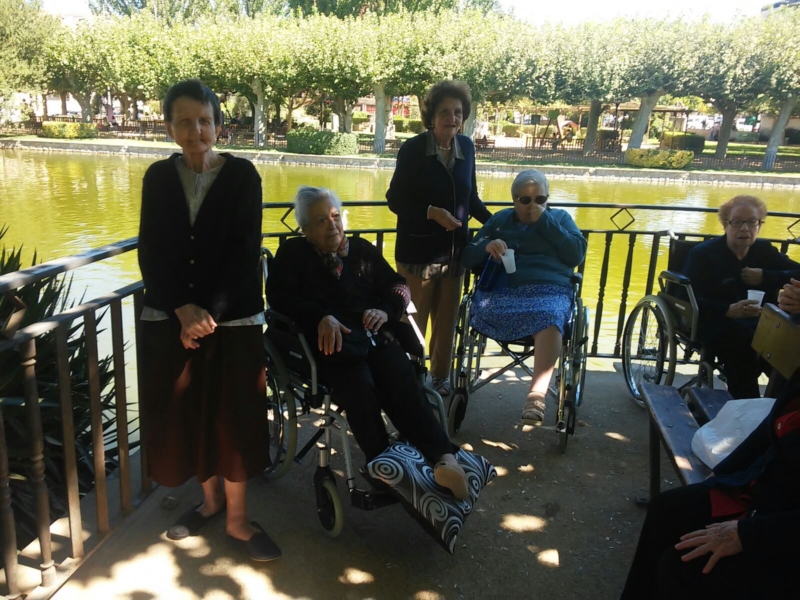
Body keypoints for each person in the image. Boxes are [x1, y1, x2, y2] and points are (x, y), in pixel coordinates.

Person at [137, 79, 280, 561]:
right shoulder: (158, 178)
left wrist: (206, 315)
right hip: (171, 318)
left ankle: (238, 520)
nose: (195, 130)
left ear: (219, 126)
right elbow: (151, 250)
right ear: (169, 127)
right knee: (192, 413)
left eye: (204, 120)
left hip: (233, 321)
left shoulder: (243, 176)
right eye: (184, 121)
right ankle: (209, 502)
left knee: (233, 418)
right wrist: (182, 309)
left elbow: (244, 253)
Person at [266, 186, 470, 500]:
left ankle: (445, 459)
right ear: (305, 229)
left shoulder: (360, 250)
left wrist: (386, 310)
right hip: (332, 346)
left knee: (402, 379)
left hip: (374, 336)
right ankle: (384, 464)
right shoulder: (294, 254)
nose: (332, 225)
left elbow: (398, 286)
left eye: (335, 216)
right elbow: (279, 298)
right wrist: (320, 317)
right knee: (359, 387)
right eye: (321, 220)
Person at [621, 376, 800, 599]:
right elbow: (767, 430)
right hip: (763, 494)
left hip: (783, 535)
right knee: (665, 510)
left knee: (680, 569)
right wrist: (720, 474)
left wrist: (746, 534)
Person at [386, 79, 492, 398]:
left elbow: (471, 199)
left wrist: (498, 224)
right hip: (418, 254)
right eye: (444, 112)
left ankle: (441, 380)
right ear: (431, 117)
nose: (452, 118)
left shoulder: (467, 148)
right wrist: (432, 212)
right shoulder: (413, 149)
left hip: (455, 254)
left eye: (458, 112)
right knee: (413, 324)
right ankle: (411, 380)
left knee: (446, 324)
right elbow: (395, 199)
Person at [461, 170, 587, 424]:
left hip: (549, 290)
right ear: (514, 200)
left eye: (540, 200)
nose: (533, 206)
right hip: (503, 292)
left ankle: (536, 396)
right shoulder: (500, 220)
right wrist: (486, 246)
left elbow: (576, 254)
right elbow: (467, 256)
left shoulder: (560, 219)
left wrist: (545, 222)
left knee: (551, 316)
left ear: (548, 199)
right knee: (482, 306)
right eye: (526, 200)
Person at [682, 195, 800, 398]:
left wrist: (766, 276)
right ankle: (746, 405)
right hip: (716, 322)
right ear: (725, 225)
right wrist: (727, 310)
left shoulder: (764, 251)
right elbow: (685, 297)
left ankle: (782, 405)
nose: (745, 229)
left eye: (752, 222)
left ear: (759, 225)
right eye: (737, 222)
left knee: (785, 348)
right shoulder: (703, 255)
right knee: (744, 346)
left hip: (762, 322)